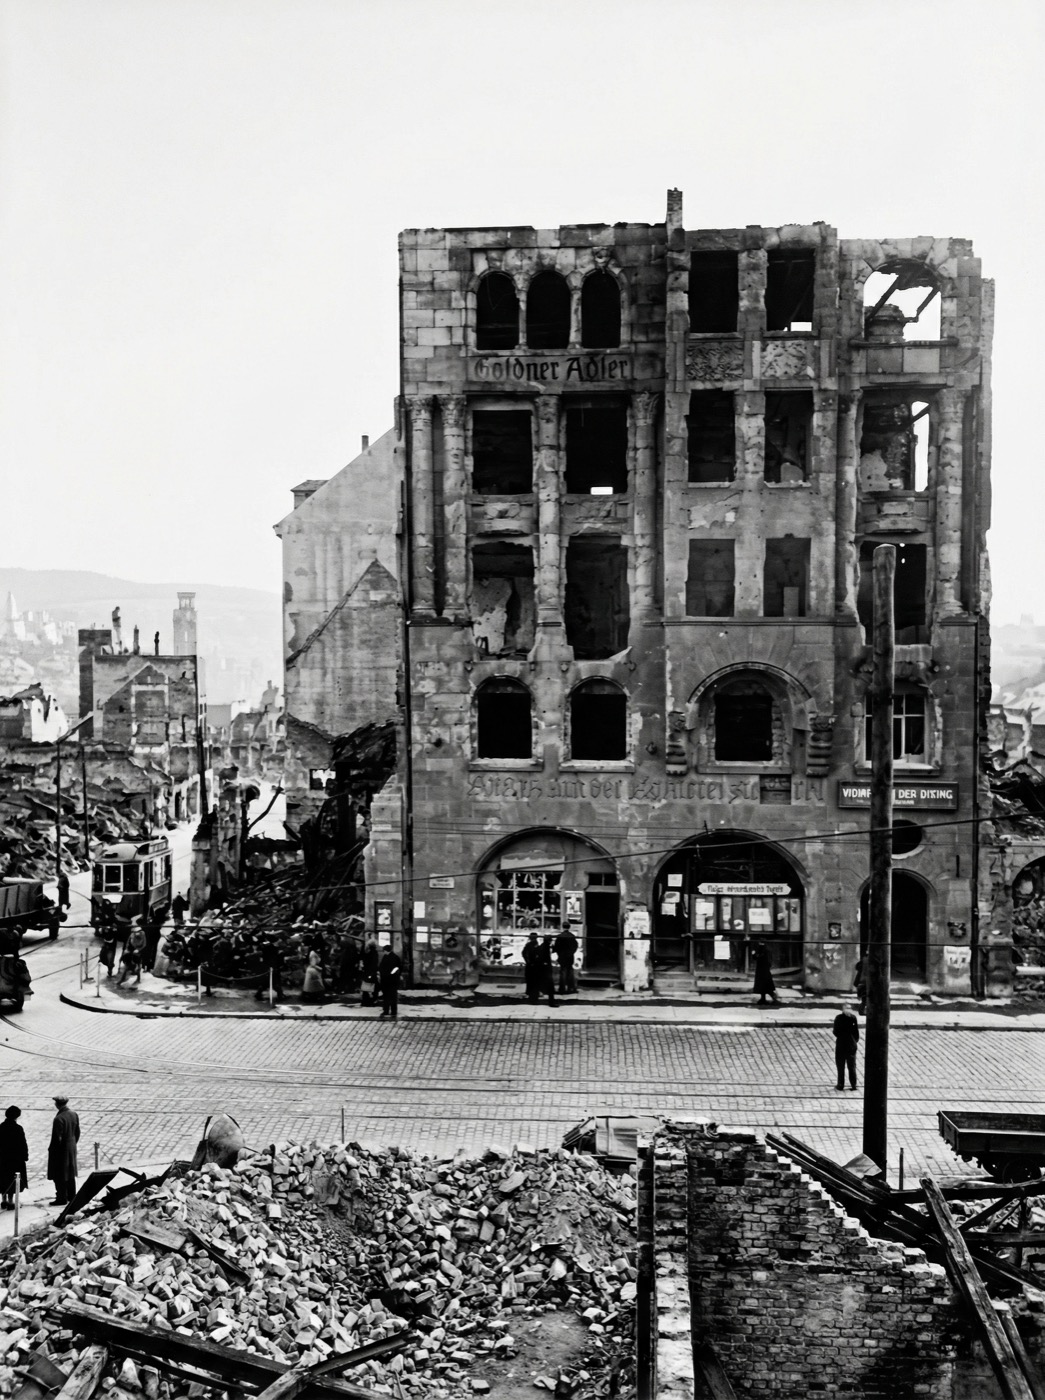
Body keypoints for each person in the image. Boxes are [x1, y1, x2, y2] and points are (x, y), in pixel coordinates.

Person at [47, 1095, 80, 1206]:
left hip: (61, 1152)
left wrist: (54, 1152)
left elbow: (57, 1139)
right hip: (71, 1148)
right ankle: (72, 1196)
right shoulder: (73, 1114)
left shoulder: (58, 1119)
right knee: (70, 1173)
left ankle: (61, 1198)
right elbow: (77, 1132)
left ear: (57, 1104)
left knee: (59, 1175)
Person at [0, 1106, 28, 1210]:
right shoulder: (18, 1128)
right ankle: (11, 1201)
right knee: (12, 1179)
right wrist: (25, 1156)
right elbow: (23, 1144)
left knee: (3, 1178)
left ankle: (3, 1200)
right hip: (15, 1159)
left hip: (3, 1159)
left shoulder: (1, 1127)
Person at [833, 1002, 860, 1091]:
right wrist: (854, 1041)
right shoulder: (852, 1018)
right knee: (850, 1066)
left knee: (843, 1066)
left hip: (842, 1044)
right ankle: (852, 1085)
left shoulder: (839, 1018)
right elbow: (856, 1033)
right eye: (847, 1008)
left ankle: (841, 1085)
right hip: (849, 1044)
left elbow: (835, 1032)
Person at [378, 943, 402, 1019]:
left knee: (387, 996)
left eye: (384, 951)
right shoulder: (395, 957)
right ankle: (393, 1011)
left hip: (387, 980)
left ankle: (386, 1010)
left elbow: (382, 967)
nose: (383, 952)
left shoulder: (386, 958)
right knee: (393, 996)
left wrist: (385, 974)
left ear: (386, 951)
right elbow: (398, 968)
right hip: (393, 980)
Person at [752, 940, 779, 1006]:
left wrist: (753, 954)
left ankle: (773, 999)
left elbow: (758, 957)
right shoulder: (766, 950)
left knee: (766, 986)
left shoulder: (763, 951)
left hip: (763, 971)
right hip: (764, 970)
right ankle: (763, 999)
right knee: (764, 986)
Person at [554, 925, 579, 995]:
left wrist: (559, 954)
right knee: (570, 972)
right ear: (569, 927)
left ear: (562, 927)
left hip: (562, 956)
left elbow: (556, 947)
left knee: (563, 972)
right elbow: (575, 946)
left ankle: (562, 988)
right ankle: (571, 987)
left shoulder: (559, 936)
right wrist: (571, 953)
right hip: (570, 956)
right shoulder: (572, 936)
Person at [537, 935, 559, 1007]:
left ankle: (539, 995)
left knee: (544, 984)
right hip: (546, 969)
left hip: (542, 968)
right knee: (550, 986)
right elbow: (546, 958)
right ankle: (551, 1002)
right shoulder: (546, 948)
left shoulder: (541, 946)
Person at [361, 936, 380, 1006]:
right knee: (374, 987)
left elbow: (366, 963)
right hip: (372, 972)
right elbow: (374, 964)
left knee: (366, 987)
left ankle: (366, 1000)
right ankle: (373, 1000)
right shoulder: (374, 953)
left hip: (368, 972)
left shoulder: (368, 953)